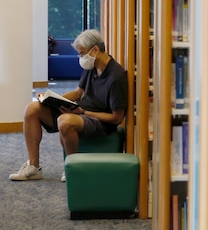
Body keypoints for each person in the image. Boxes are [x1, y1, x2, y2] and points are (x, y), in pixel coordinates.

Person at [10, 29, 128, 181]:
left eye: (81, 53)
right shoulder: (92, 66)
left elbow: (116, 118)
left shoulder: (116, 77)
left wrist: (83, 112)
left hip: (100, 121)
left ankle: (72, 168)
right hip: (80, 112)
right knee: (32, 109)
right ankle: (33, 166)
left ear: (95, 50)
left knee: (64, 121)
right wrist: (50, 98)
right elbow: (78, 93)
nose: (80, 58)